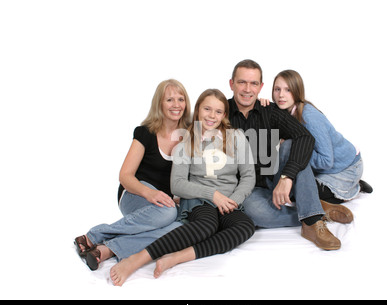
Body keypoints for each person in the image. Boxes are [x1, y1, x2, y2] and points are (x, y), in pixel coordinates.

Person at [109, 89, 256, 286]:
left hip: (228, 201)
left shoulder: (237, 137)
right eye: (207, 109)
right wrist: (212, 195)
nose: (212, 116)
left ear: (224, 115)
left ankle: (176, 257)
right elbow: (176, 184)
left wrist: (233, 201)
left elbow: (248, 176)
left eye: (219, 111)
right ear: (197, 110)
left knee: (245, 226)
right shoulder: (185, 141)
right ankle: (137, 259)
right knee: (207, 225)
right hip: (198, 200)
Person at [228, 59, 354, 251]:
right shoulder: (220, 111)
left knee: (293, 145)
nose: (247, 89)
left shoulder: (269, 111)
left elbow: (305, 137)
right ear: (232, 84)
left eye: (253, 83)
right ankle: (314, 209)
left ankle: (312, 223)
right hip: (247, 189)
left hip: (275, 179)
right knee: (253, 214)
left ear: (261, 87)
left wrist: (287, 177)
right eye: (242, 82)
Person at [74, 79, 191, 270]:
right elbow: (125, 176)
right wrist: (149, 193)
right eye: (169, 100)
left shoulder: (189, 135)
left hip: (165, 204)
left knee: (179, 228)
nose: (176, 105)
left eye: (181, 99)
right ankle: (94, 235)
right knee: (167, 213)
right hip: (135, 193)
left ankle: (106, 250)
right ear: (159, 104)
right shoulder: (145, 132)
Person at [272, 69, 372, 204]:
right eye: (277, 89)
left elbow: (326, 161)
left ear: (297, 91)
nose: (281, 95)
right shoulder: (284, 113)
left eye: (288, 90)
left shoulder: (309, 117)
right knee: (289, 189)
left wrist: (297, 150)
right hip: (328, 167)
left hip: (346, 167)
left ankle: (355, 186)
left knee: (303, 195)